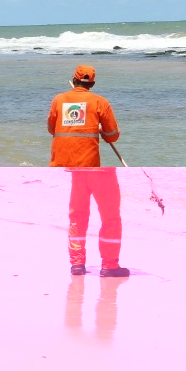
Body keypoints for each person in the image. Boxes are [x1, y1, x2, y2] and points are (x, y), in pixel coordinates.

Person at [48, 64, 128, 278]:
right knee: (110, 218)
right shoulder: (100, 102)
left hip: (72, 170)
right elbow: (112, 135)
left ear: (74, 80)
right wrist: (100, 129)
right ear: (92, 83)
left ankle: (77, 265)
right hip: (96, 170)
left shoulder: (58, 100)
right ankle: (109, 266)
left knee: (77, 218)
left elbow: (51, 129)